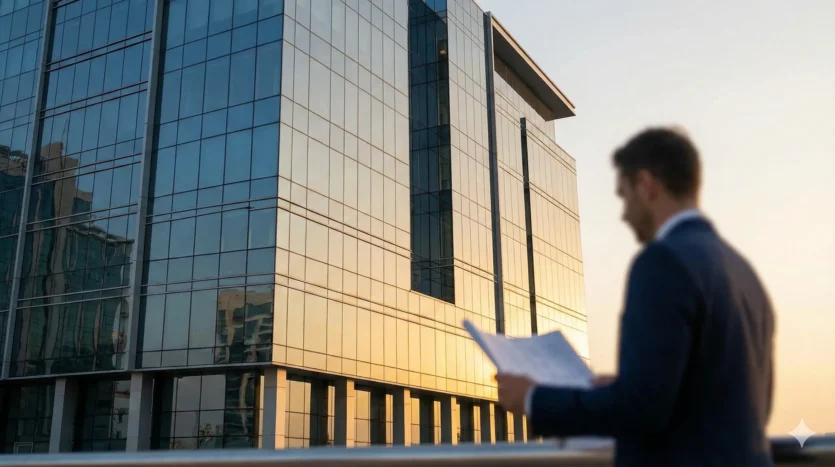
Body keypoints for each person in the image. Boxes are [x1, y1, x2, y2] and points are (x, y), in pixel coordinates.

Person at [496, 127, 775, 466]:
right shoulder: (743, 272)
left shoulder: (662, 263)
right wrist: (635, 383)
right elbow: (737, 399)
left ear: (647, 185)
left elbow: (641, 409)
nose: (624, 213)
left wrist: (533, 398)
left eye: (624, 195)